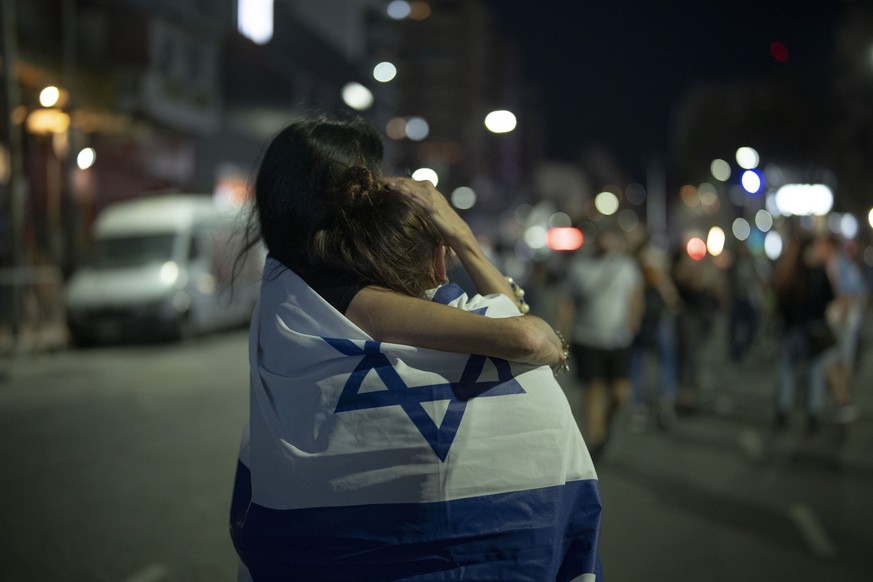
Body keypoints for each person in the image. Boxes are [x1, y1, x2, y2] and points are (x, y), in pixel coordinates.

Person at [229, 115, 602, 581]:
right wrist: (459, 235)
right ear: (346, 191)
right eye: (371, 178)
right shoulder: (336, 291)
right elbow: (521, 335)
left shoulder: (287, 281)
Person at [556, 225, 645, 460]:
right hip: (587, 337)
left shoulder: (626, 265)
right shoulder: (579, 266)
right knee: (593, 390)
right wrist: (562, 334)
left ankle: (605, 425)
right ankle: (596, 440)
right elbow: (568, 302)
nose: (606, 241)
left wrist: (634, 320)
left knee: (620, 393)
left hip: (618, 339)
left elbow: (636, 293)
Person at [771, 232, 835, 434]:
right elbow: (828, 297)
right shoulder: (816, 273)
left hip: (792, 330)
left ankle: (784, 410)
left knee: (789, 371)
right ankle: (812, 413)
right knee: (813, 372)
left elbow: (780, 303)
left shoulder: (789, 272)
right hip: (811, 329)